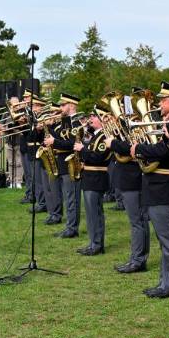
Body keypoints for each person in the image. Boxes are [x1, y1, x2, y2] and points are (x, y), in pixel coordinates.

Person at [130, 81, 169, 298]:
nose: (160, 103)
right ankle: (166, 281)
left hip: (167, 186)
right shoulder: (168, 120)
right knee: (166, 239)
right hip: (158, 186)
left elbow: (163, 151)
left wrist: (138, 149)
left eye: (164, 100)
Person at [107, 89, 149, 272]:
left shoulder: (140, 127)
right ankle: (137, 258)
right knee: (136, 221)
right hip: (126, 178)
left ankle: (138, 260)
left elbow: (132, 148)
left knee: (137, 221)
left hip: (133, 178)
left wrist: (113, 143)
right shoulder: (129, 127)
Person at [75, 109, 111, 255]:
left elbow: (98, 157)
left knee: (95, 213)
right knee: (90, 213)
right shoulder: (94, 135)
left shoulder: (104, 136)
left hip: (97, 177)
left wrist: (82, 149)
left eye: (93, 116)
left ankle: (97, 245)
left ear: (102, 120)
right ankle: (93, 243)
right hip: (90, 176)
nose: (90, 119)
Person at [48, 93, 83, 239]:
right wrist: (47, 127)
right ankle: (69, 225)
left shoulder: (76, 123)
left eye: (63, 105)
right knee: (67, 197)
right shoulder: (65, 122)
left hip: (71, 163)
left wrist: (54, 142)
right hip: (62, 162)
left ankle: (72, 228)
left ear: (72, 105)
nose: (60, 107)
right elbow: (57, 137)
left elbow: (72, 143)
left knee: (72, 197)